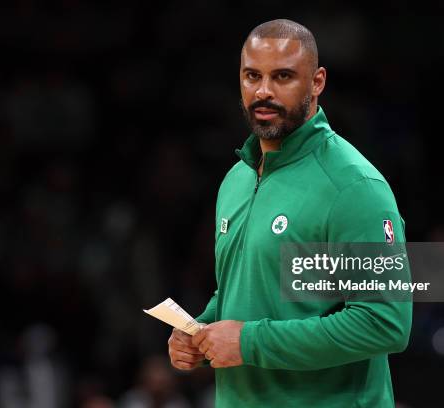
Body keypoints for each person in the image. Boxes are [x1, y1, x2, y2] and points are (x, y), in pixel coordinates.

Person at [167, 19, 412, 407]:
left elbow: (384, 324)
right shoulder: (237, 179)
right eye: (252, 76)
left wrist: (248, 342)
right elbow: (249, 290)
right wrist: (201, 331)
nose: (263, 91)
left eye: (282, 76)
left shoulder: (354, 186)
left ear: (317, 82)